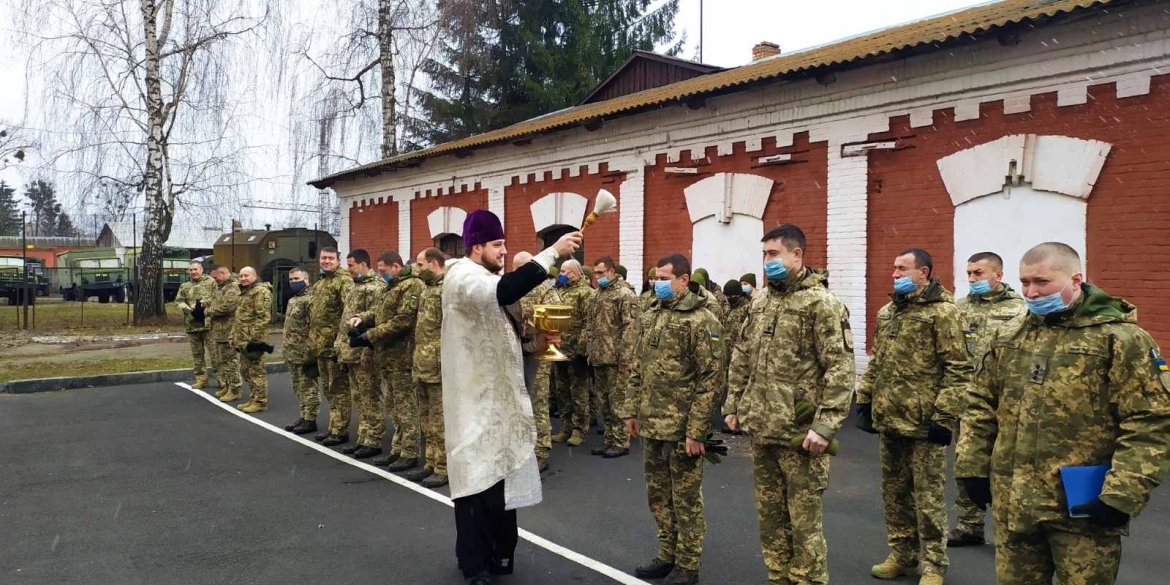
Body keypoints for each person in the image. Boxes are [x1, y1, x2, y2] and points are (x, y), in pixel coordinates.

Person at [956, 242, 1170, 585]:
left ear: (1076, 279)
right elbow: (980, 402)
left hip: (1083, 511)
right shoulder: (1010, 335)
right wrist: (972, 467)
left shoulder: (1120, 339)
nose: (1031, 292)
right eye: (1025, 282)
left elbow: (1150, 422)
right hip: (1015, 504)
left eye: (1042, 282)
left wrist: (1121, 494)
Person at [442, 209, 582, 585]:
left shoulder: (487, 277)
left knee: (498, 481)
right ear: (476, 247)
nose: (504, 251)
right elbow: (505, 291)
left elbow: (509, 337)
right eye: (497, 245)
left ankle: (500, 554)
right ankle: (474, 566)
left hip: (499, 400)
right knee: (475, 483)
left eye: (504, 244)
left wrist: (540, 341)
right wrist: (552, 251)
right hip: (473, 400)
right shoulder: (463, 277)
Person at [724, 224, 855, 585]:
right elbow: (742, 354)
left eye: (773, 254)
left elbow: (840, 369)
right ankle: (778, 577)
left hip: (801, 434)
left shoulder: (822, 304)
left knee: (804, 524)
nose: (767, 262)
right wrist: (734, 404)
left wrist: (825, 425)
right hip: (763, 428)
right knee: (770, 519)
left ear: (797, 255)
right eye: (764, 254)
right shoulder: (761, 301)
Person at [856, 248, 970, 585]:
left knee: (928, 497)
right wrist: (864, 399)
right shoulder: (889, 312)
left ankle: (934, 564)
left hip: (925, 424)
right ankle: (903, 555)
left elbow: (959, 369)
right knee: (894, 494)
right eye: (893, 268)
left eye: (902, 269)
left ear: (924, 272)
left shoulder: (944, 314)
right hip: (890, 419)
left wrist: (944, 417)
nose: (895, 274)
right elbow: (877, 360)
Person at [620, 254, 723, 585]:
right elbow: (638, 367)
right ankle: (668, 554)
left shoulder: (702, 320)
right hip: (652, 425)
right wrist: (631, 411)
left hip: (682, 430)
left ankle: (688, 565)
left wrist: (697, 431)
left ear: (683, 279)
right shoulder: (651, 316)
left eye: (664, 277)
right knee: (659, 495)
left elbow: (711, 380)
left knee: (686, 499)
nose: (657, 283)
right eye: (654, 278)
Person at [946, 251, 1026, 547]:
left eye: (978, 273)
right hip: (967, 400)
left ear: (998, 275)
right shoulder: (959, 308)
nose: (971, 279)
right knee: (967, 462)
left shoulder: (1020, 310)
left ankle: (1010, 528)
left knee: (1006, 464)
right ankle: (969, 526)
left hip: (1004, 402)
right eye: (968, 273)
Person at [350, 251, 426, 468]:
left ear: (396, 267)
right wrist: (362, 318)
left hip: (402, 357)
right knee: (393, 405)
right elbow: (379, 312)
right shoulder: (391, 286)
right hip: (388, 357)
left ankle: (410, 452)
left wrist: (370, 335)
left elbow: (403, 320)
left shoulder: (412, 285)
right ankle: (397, 449)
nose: (381, 274)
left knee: (406, 407)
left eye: (383, 271)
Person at [585, 256, 638, 458]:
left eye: (601, 272)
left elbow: (630, 328)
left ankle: (621, 442)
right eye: (595, 273)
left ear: (612, 271)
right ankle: (608, 440)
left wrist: (625, 358)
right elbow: (591, 326)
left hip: (616, 359)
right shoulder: (597, 295)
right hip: (599, 357)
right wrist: (590, 351)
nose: (597, 277)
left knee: (618, 403)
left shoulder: (624, 295)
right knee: (603, 403)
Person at [513, 251, 562, 472]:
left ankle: (541, 450)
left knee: (538, 401)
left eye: (521, 268)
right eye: (515, 269)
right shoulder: (513, 288)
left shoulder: (544, 289)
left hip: (539, 352)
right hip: (515, 350)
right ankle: (524, 446)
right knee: (520, 401)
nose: (517, 273)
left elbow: (555, 324)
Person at [333, 249, 385, 454]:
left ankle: (373, 438)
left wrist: (368, 350)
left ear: (363, 265)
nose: (349, 269)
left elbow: (375, 320)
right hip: (349, 352)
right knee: (359, 397)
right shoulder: (357, 286)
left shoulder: (374, 287)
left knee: (370, 396)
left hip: (362, 351)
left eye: (352, 265)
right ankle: (364, 436)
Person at [406, 246, 449, 487]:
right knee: (426, 420)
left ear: (434, 263)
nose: (417, 269)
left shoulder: (447, 289)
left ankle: (444, 467)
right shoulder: (427, 290)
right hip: (422, 363)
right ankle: (431, 462)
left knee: (440, 420)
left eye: (420, 265)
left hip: (438, 366)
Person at [308, 247, 355, 444]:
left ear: (338, 260)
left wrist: (342, 343)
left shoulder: (343, 281)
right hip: (320, 345)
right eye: (323, 258)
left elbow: (349, 311)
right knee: (328, 390)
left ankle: (341, 430)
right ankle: (333, 426)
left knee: (339, 389)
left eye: (330, 258)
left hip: (334, 345)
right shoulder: (321, 282)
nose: (326, 261)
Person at [550, 259, 595, 447]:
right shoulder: (559, 291)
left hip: (576, 350)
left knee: (579, 392)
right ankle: (566, 427)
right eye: (561, 270)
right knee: (561, 391)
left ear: (575, 273)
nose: (561, 274)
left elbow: (589, 322)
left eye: (565, 271)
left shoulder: (585, 293)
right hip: (558, 349)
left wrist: (581, 348)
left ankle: (579, 429)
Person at [230, 266, 273, 413]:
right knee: (245, 371)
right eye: (241, 276)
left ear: (255, 276)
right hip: (241, 339)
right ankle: (254, 397)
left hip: (253, 341)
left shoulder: (260, 292)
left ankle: (260, 401)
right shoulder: (244, 292)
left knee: (256, 372)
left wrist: (254, 340)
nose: (243, 279)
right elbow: (238, 318)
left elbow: (263, 317)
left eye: (246, 276)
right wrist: (232, 336)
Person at [282, 267, 319, 435]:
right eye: (291, 279)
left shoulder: (311, 299)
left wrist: (311, 350)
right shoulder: (293, 300)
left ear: (306, 279)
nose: (293, 282)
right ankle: (303, 415)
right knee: (297, 386)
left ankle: (311, 419)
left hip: (304, 351)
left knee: (308, 386)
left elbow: (314, 326)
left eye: (297, 278)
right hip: (291, 351)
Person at [175, 260, 216, 389]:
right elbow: (178, 301)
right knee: (197, 354)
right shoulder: (185, 286)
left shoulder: (211, 283)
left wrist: (205, 305)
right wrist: (188, 310)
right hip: (192, 324)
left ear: (201, 270)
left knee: (215, 353)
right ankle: (201, 378)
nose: (193, 272)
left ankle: (222, 378)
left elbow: (218, 298)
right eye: (191, 270)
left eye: (195, 269)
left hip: (209, 324)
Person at [205, 264, 242, 402]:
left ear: (222, 273)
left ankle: (235, 389)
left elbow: (227, 307)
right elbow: (216, 302)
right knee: (222, 361)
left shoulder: (233, 287)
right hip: (219, 330)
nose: (214, 280)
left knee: (229, 361)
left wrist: (207, 311)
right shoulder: (222, 287)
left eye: (215, 277)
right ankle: (227, 385)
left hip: (228, 329)